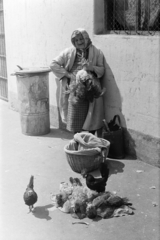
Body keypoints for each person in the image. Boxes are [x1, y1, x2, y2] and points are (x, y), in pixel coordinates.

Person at [50, 28, 105, 135]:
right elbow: (53, 64)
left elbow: (102, 71)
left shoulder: (97, 52)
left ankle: (89, 142)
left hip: (91, 89)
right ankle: (77, 142)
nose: (79, 42)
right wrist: (68, 74)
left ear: (86, 38)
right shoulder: (69, 52)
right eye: (76, 40)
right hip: (74, 90)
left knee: (91, 118)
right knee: (76, 118)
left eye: (81, 39)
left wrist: (91, 67)